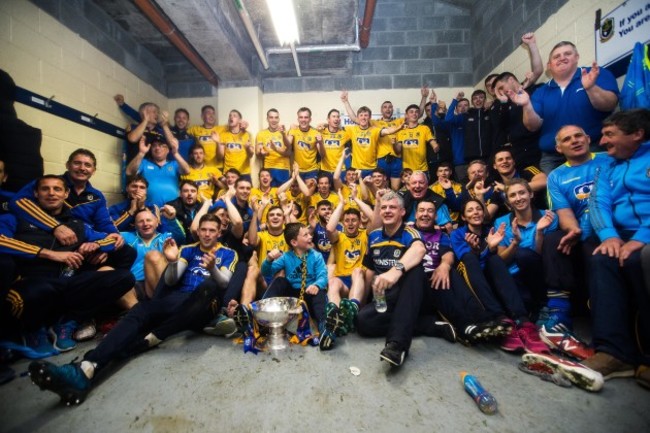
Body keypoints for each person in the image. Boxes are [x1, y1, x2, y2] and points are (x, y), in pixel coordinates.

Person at [28, 214, 237, 405]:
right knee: (140, 311)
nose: (207, 234)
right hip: (178, 300)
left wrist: (212, 269)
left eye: (212, 230)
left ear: (219, 233)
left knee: (208, 286)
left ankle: (156, 335)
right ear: (198, 231)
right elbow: (172, 279)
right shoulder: (188, 249)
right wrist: (173, 261)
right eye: (204, 230)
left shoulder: (228, 253)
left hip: (206, 303)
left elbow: (223, 283)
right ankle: (86, 368)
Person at [0, 175, 135, 356]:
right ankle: (34, 330)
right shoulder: (15, 218)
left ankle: (68, 322)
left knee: (123, 277)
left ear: (66, 194)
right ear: (35, 193)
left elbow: (112, 239)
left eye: (57, 189)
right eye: (45, 189)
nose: (51, 193)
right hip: (32, 284)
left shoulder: (76, 224)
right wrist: (49, 254)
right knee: (38, 290)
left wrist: (97, 245)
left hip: (66, 283)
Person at [583, 109, 650, 388]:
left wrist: (642, 236)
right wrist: (609, 236)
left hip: (644, 234)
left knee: (639, 260)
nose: (602, 140)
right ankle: (614, 352)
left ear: (637, 134)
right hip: (620, 234)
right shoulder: (606, 166)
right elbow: (597, 203)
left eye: (610, 134)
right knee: (601, 258)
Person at [450, 198, 549, 354]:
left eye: (478, 209)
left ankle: (522, 321)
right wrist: (479, 251)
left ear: (483, 212)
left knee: (495, 259)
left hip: (489, 278)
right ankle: (499, 320)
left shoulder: (491, 230)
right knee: (470, 258)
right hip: (468, 279)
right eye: (470, 210)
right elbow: (467, 262)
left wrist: (494, 248)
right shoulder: (458, 234)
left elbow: (496, 262)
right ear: (463, 217)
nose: (475, 212)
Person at [507, 41, 620, 173]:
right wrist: (526, 105)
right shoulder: (541, 92)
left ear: (576, 57)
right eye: (556, 56)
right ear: (549, 66)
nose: (562, 58)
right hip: (554, 158)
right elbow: (533, 126)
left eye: (567, 53)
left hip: (594, 149)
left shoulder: (595, 74)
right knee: (557, 194)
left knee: (601, 191)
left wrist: (591, 88)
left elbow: (610, 105)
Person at [356, 191, 426, 367]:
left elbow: (419, 250)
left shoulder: (410, 232)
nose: (387, 211)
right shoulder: (373, 236)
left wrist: (395, 271)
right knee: (361, 322)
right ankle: (428, 325)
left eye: (392, 207)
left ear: (402, 212)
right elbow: (370, 271)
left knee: (415, 269)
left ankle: (396, 345)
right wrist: (364, 302)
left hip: (407, 293)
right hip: (383, 297)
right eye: (384, 207)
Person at [252, 223, 331, 350]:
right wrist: (268, 259)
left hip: (310, 293)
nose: (310, 237)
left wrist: (316, 285)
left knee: (320, 293)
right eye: (305, 235)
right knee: (280, 281)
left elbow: (323, 276)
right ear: (294, 242)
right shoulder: (286, 257)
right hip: (292, 299)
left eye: (309, 234)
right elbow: (266, 271)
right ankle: (259, 317)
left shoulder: (316, 256)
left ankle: (325, 327)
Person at [493, 179, 557, 316]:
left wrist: (539, 232)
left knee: (524, 255)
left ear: (531, 194)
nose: (518, 198)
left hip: (541, 274)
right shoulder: (501, 222)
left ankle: (543, 306)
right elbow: (502, 261)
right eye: (513, 195)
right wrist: (515, 242)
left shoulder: (548, 217)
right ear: (508, 201)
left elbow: (545, 257)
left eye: (522, 193)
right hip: (515, 277)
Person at [342, 89, 429, 190]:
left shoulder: (399, 122)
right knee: (380, 188)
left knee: (395, 188)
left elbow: (418, 114)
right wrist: (346, 101)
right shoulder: (374, 123)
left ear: (392, 109)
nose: (388, 109)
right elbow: (354, 118)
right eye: (385, 107)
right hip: (381, 160)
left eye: (390, 107)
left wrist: (424, 97)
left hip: (396, 159)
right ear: (381, 110)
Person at [325, 189, 377, 339]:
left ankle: (352, 310)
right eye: (347, 220)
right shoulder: (339, 237)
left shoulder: (364, 234)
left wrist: (356, 199)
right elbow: (329, 228)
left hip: (359, 282)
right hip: (344, 283)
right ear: (343, 222)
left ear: (359, 222)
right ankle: (334, 317)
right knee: (333, 281)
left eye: (354, 220)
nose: (350, 223)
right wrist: (341, 204)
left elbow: (374, 218)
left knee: (358, 271)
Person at [121, 208, 185, 300]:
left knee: (153, 255)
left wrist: (172, 220)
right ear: (135, 225)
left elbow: (181, 237)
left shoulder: (166, 237)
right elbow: (109, 232)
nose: (145, 224)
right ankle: (138, 311)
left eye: (148, 220)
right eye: (141, 221)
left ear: (157, 222)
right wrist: (130, 211)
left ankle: (159, 304)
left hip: (158, 282)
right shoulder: (127, 237)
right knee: (113, 280)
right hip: (135, 283)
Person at [125, 135, 190, 207]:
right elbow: (129, 172)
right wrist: (141, 153)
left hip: (173, 208)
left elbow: (187, 171)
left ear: (168, 150)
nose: (157, 148)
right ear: (151, 149)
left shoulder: (174, 164)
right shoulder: (144, 163)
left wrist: (175, 153)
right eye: (154, 146)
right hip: (148, 208)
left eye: (161, 145)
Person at [393, 104, 439, 174]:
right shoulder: (401, 131)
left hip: (422, 170)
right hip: (407, 170)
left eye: (416, 112)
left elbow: (431, 140)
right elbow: (398, 151)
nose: (414, 114)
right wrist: (394, 144)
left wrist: (435, 145)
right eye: (411, 112)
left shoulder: (424, 128)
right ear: (406, 115)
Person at [256, 108, 291, 186]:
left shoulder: (285, 132)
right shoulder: (261, 134)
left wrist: (276, 149)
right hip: (268, 168)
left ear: (279, 119)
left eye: (276, 117)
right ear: (267, 119)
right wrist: (262, 153)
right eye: (271, 117)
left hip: (283, 168)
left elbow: (289, 153)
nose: (273, 120)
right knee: (269, 195)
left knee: (283, 195)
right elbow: (258, 153)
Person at [285, 107, 321, 181]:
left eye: (306, 117)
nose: (303, 119)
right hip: (297, 169)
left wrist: (321, 142)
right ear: (298, 119)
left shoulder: (316, 133)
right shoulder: (293, 130)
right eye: (301, 117)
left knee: (309, 190)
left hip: (312, 170)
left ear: (310, 119)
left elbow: (322, 154)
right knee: (293, 191)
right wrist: (287, 131)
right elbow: (288, 144)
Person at [217, 109, 254, 181]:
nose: (231, 117)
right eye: (230, 116)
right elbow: (220, 156)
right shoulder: (223, 135)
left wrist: (247, 148)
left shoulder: (247, 134)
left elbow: (251, 155)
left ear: (240, 120)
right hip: (229, 173)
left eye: (234, 116)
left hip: (244, 172)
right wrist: (218, 142)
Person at [165, 180, 203, 245]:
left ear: (197, 194)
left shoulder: (202, 208)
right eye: (186, 191)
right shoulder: (171, 208)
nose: (189, 194)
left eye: (193, 191)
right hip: (178, 245)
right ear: (180, 194)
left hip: (199, 245)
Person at [318, 109, 351, 178]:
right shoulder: (321, 132)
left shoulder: (345, 134)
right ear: (328, 119)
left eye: (338, 117)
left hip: (340, 169)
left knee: (340, 189)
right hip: (325, 169)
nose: (336, 119)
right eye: (334, 116)